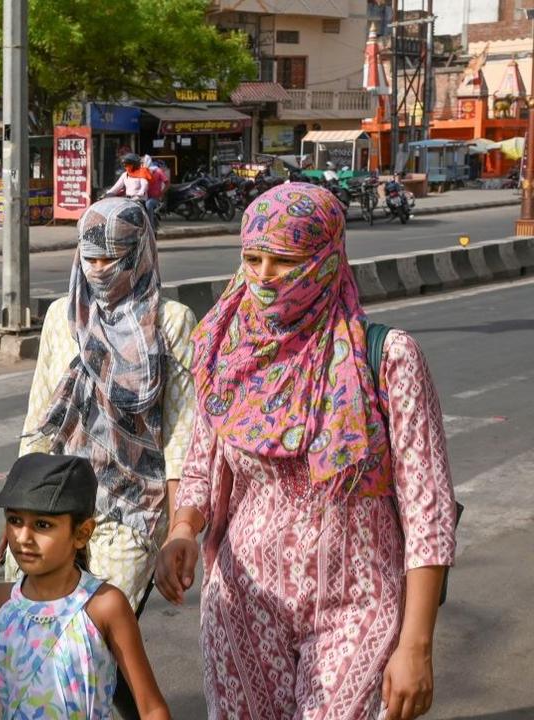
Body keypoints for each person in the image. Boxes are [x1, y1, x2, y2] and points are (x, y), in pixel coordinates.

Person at [155, 183, 457, 720]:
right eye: (253, 258)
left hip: (360, 603)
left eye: (285, 260)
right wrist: (182, 530)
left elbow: (427, 509)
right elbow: (201, 463)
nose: (266, 276)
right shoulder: (227, 353)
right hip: (243, 604)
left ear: (324, 260)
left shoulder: (388, 359)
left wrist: (418, 643)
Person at [14, 197, 196, 717]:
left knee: (99, 631)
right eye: (89, 257)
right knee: (48, 636)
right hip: (57, 501)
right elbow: (40, 417)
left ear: (139, 252)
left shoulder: (172, 322)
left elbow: (182, 436)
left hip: (134, 508)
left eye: (112, 256)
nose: (98, 269)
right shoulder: (61, 317)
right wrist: (18, 513)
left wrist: (180, 529)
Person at [0, 453, 170, 720]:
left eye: (42, 525)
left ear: (82, 534)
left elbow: (151, 709)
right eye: (14, 520)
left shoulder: (104, 606)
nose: (23, 537)